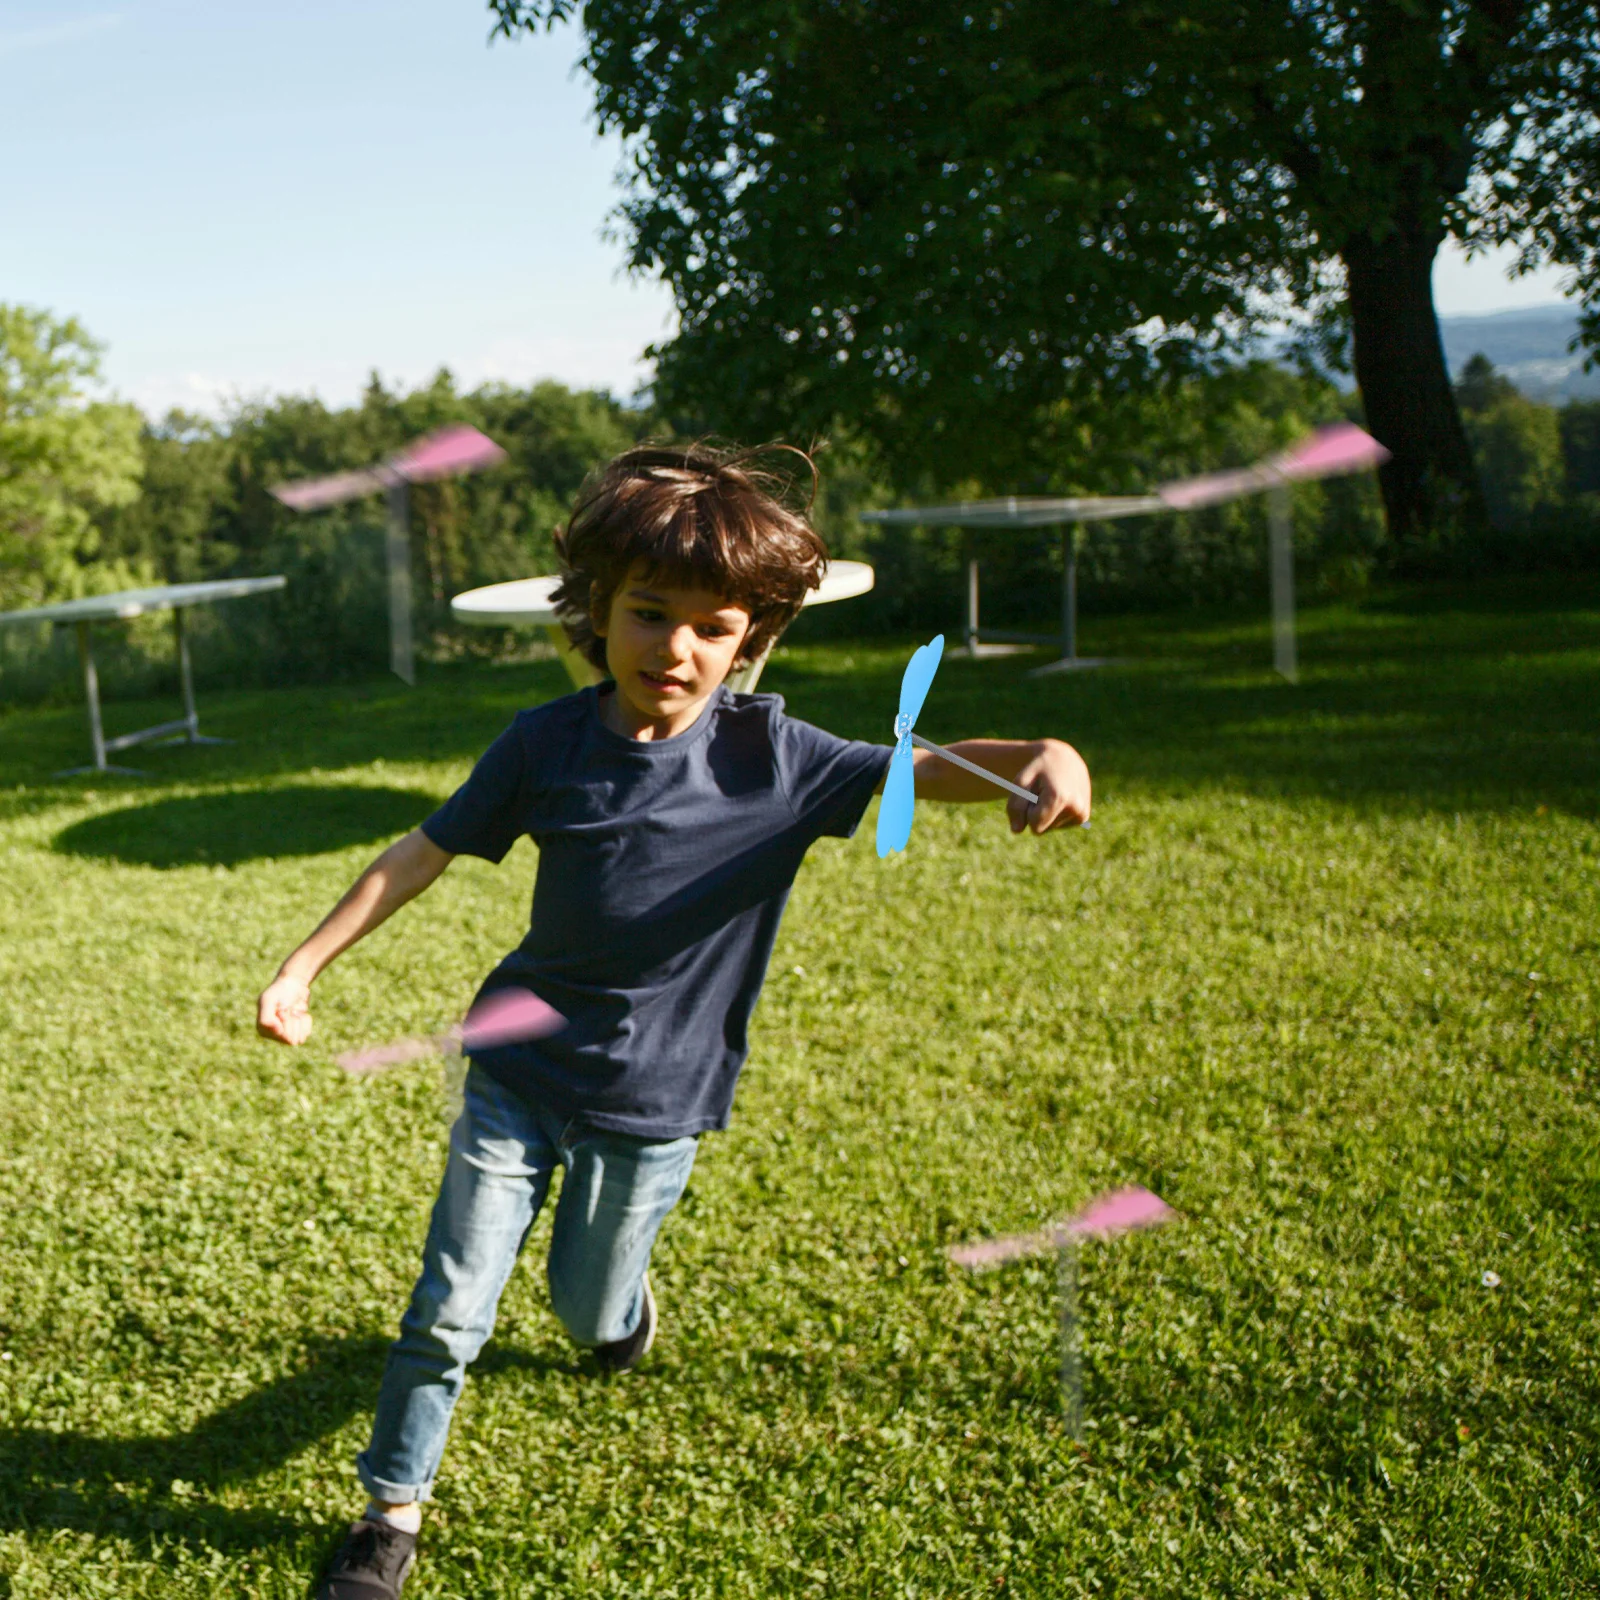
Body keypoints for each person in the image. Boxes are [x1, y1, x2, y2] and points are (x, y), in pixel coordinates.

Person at [256, 442, 1091, 1600]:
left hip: (654, 1100)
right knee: (449, 1307)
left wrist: (1042, 754)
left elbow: (919, 766)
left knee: (585, 1306)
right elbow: (422, 851)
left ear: (749, 639)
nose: (675, 647)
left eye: (712, 626)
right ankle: (388, 1514)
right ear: (598, 609)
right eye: (649, 613)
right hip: (515, 1073)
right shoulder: (544, 743)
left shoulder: (776, 759)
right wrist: (302, 966)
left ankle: (622, 1312)